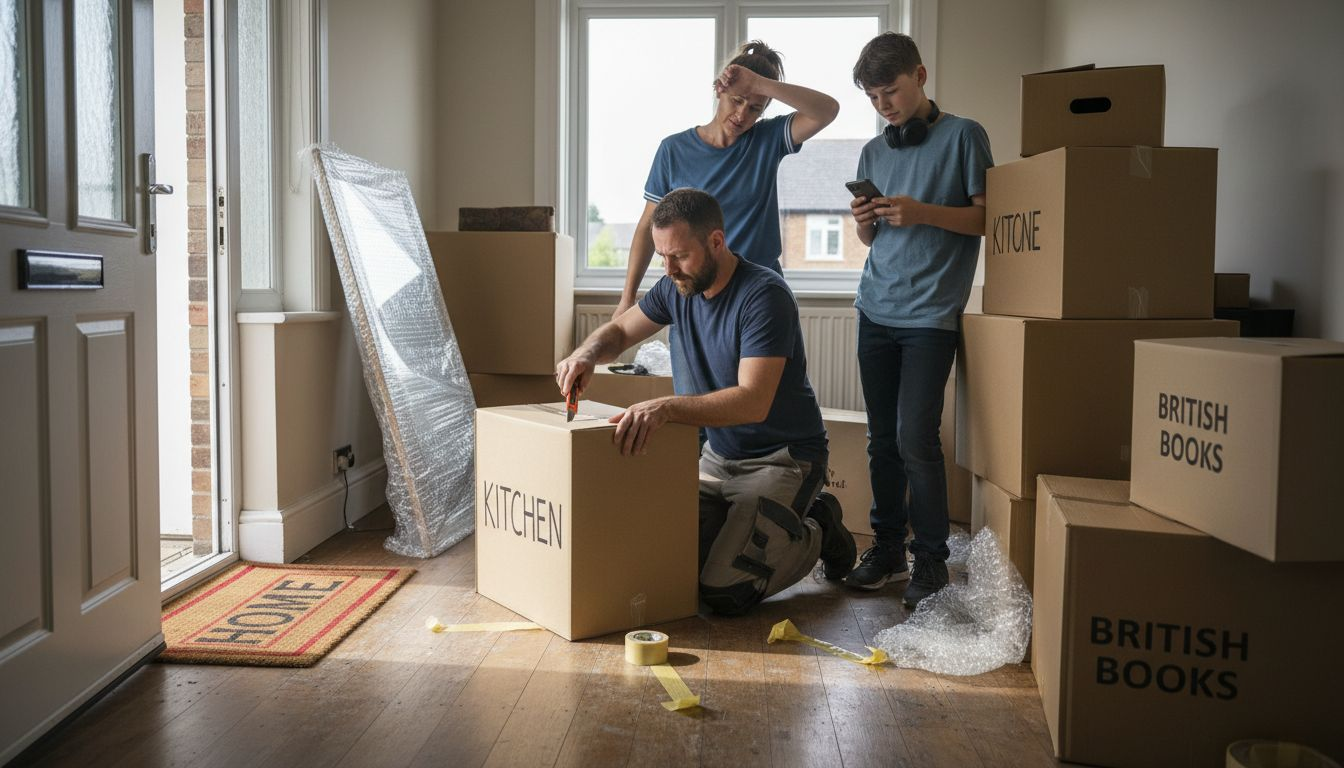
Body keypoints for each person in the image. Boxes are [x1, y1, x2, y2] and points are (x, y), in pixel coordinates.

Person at [559, 189, 856, 616]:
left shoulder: (764, 296)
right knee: (669, 565)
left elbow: (752, 402)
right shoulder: (674, 287)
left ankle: (819, 529)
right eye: (662, 255)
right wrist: (586, 353)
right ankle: (749, 528)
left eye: (678, 255)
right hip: (717, 459)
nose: (668, 268)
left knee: (723, 591)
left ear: (716, 241)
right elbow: (621, 332)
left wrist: (665, 408)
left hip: (781, 459)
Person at [844, 32, 992, 607]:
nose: (884, 105)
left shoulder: (965, 136)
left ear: (921, 75)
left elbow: (987, 221)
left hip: (932, 315)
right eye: (873, 97)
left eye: (891, 91)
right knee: (881, 440)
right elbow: (872, 238)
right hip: (873, 308)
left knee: (915, 439)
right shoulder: (874, 151)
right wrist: (864, 220)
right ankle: (885, 549)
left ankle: (931, 560)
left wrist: (921, 211)